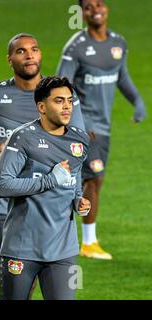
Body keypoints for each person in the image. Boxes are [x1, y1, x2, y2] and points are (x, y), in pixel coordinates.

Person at [0, 33, 86, 257]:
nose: (29, 55)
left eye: (34, 49)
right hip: (4, 204)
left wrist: (77, 195)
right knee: (15, 277)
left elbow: (76, 146)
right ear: (10, 59)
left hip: (53, 205)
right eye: (21, 51)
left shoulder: (62, 96)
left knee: (50, 272)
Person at [57, 0, 146, 260]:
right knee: (93, 178)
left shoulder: (118, 43)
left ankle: (78, 240)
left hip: (103, 129)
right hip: (87, 130)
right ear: (82, 13)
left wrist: (137, 102)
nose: (95, 9)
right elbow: (62, 88)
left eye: (99, 3)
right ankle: (88, 243)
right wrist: (77, 125)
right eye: (88, 6)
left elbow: (123, 76)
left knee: (93, 180)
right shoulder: (76, 48)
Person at [0, 76, 91, 300]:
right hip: (21, 249)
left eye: (69, 100)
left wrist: (79, 201)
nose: (67, 106)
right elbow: (3, 185)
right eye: (58, 100)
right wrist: (49, 180)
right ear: (41, 106)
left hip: (63, 251)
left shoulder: (80, 141)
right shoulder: (22, 138)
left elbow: (73, 178)